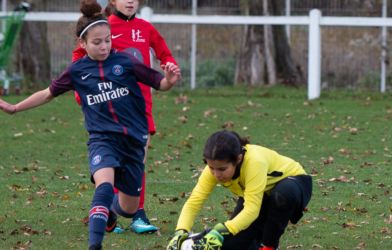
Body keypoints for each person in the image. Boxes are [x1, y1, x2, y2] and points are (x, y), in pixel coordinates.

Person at [0, 0, 180, 249]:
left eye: (107, 40)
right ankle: (95, 245)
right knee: (104, 186)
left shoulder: (126, 63)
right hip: (103, 139)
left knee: (128, 208)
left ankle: (111, 215)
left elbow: (160, 83)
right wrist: (15, 107)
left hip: (133, 141)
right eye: (97, 42)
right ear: (82, 44)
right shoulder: (77, 70)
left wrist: (170, 79)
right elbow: (47, 93)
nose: (105, 46)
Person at [72, 0, 178, 234]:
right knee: (111, 164)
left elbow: (164, 53)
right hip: (111, 108)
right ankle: (110, 208)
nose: (130, 1)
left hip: (141, 107)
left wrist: (170, 67)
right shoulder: (103, 27)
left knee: (138, 160)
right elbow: (79, 58)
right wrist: (84, 92)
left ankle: (136, 214)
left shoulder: (145, 28)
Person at [167, 130, 312, 250]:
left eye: (222, 169)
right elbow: (194, 202)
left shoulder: (255, 161)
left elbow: (252, 209)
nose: (216, 174)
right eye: (211, 168)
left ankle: (268, 246)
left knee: (281, 195)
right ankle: (196, 240)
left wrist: (221, 230)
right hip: (258, 196)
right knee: (232, 244)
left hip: (294, 185)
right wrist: (181, 231)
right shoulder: (213, 169)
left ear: (238, 159)